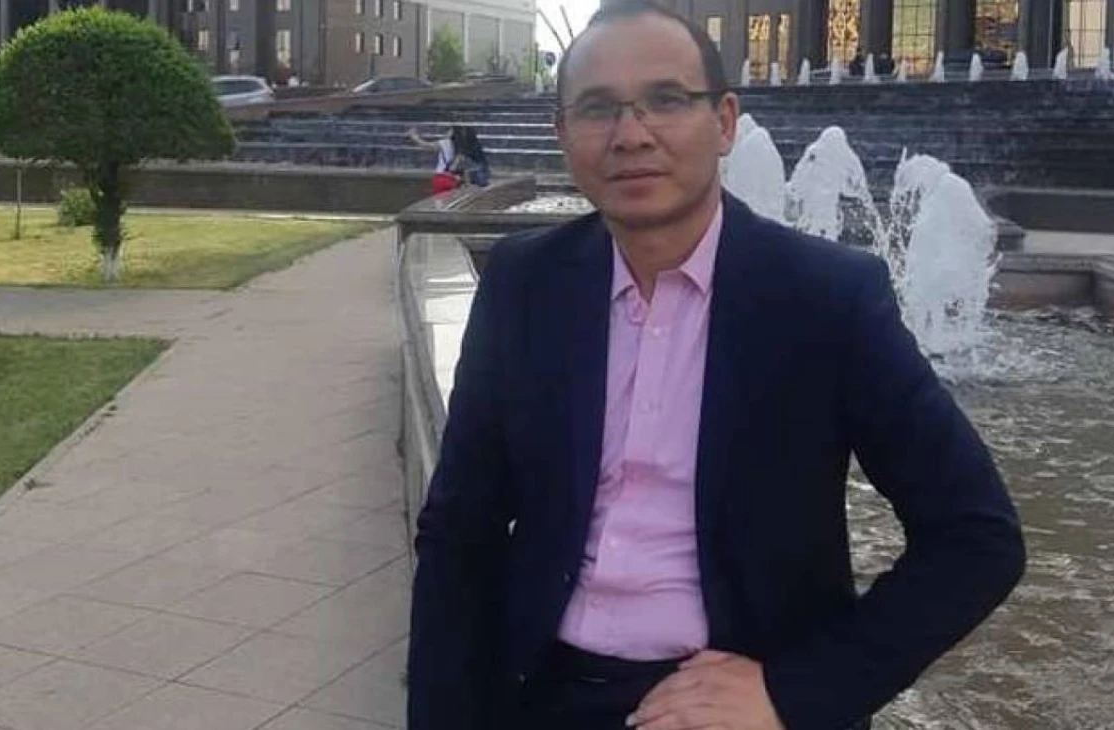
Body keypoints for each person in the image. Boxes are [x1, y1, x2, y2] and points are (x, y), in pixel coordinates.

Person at [407, 2, 1026, 729]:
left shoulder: (825, 299)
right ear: (562, 133)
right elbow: (459, 531)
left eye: (666, 100)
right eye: (598, 108)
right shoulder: (524, 285)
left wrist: (795, 692)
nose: (631, 135)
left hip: (735, 707)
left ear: (725, 121)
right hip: (540, 694)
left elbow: (976, 537)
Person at [407, 125, 463, 193]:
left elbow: (426, 145)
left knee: (440, 198)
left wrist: (414, 137)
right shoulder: (462, 147)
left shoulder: (445, 143)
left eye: (448, 131)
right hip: (454, 179)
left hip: (441, 177)